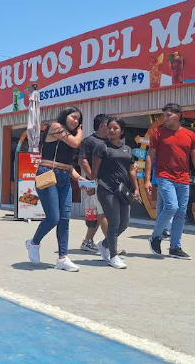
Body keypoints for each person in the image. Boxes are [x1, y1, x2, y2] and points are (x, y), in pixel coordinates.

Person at [25, 106, 85, 272]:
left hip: (64, 176)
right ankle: (33, 242)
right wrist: (80, 130)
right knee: (53, 218)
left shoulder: (68, 136)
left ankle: (62, 257)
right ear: (65, 116)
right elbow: (76, 142)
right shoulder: (55, 127)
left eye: (78, 119)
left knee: (65, 218)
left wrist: (79, 177)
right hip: (47, 174)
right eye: (73, 117)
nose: (76, 121)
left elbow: (66, 164)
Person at [145, 103, 195, 260]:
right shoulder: (158, 133)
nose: (164, 118)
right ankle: (156, 236)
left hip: (184, 178)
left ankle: (175, 247)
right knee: (172, 206)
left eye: (168, 115)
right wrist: (147, 179)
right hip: (164, 176)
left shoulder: (189, 135)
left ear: (178, 115)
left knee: (181, 213)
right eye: (163, 115)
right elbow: (149, 156)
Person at [91, 117, 139, 269]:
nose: (111, 130)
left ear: (122, 131)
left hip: (123, 190)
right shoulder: (101, 147)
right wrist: (93, 185)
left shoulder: (127, 149)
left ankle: (104, 244)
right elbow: (95, 170)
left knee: (124, 223)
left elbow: (132, 170)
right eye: (109, 128)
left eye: (115, 128)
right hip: (107, 189)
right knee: (114, 222)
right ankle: (113, 256)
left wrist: (136, 188)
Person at [77, 114, 111, 253]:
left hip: (109, 183)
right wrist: (93, 180)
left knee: (98, 214)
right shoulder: (89, 141)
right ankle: (111, 245)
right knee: (103, 214)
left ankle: (88, 241)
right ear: (102, 126)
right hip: (97, 184)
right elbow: (82, 161)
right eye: (110, 126)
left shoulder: (109, 142)